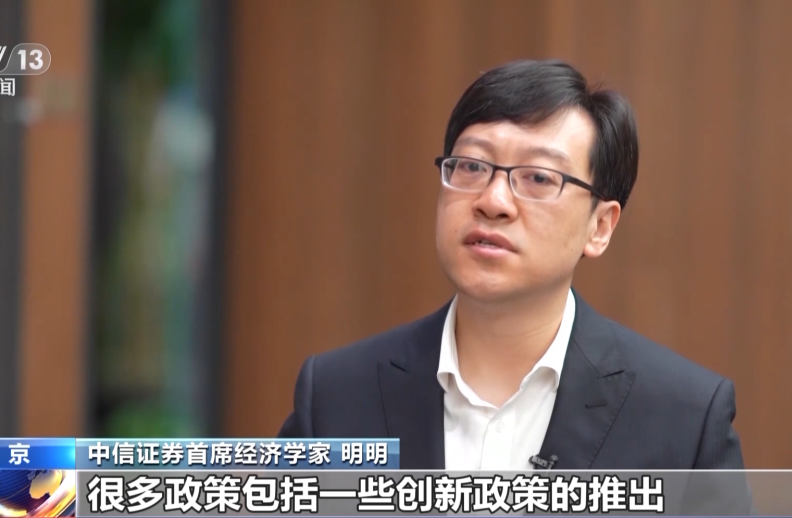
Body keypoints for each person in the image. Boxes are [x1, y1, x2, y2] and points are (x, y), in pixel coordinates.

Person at [278, 60, 747, 480]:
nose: (493, 201)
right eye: (471, 167)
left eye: (539, 177)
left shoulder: (684, 419)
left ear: (600, 226)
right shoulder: (336, 395)